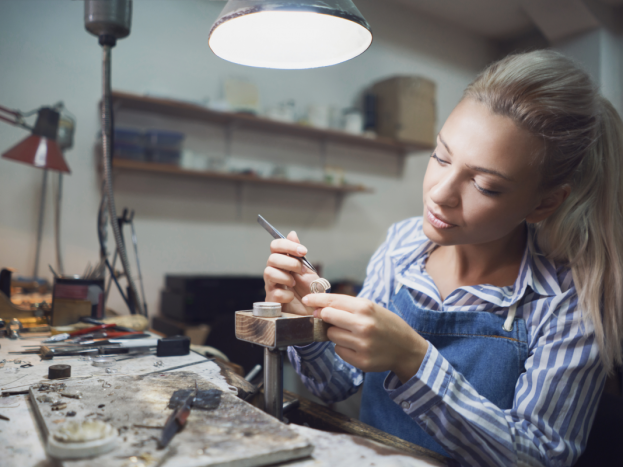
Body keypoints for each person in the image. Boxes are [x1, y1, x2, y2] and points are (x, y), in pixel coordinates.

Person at [262, 50, 623, 467]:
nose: (440, 193)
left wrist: (414, 361)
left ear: (544, 203)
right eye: (441, 156)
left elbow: (539, 457)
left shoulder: (567, 297)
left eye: (485, 185)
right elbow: (336, 385)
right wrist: (303, 322)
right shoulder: (402, 246)